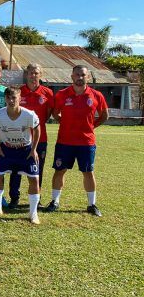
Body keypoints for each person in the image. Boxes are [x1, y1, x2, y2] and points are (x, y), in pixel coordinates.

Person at [45, 65, 109, 216]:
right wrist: (64, 123)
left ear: (87, 77)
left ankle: (91, 204)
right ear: (72, 76)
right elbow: (55, 113)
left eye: (83, 75)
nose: (80, 78)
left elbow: (104, 115)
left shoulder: (96, 95)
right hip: (64, 141)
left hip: (86, 143)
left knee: (88, 172)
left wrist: (92, 127)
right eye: (77, 75)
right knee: (59, 171)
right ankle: (55, 201)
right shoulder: (62, 94)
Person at [0, 86, 42, 224]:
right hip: (6, 150)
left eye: (14, 98)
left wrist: (33, 149)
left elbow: (37, 130)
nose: (11, 100)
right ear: (5, 99)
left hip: (25, 150)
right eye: (8, 98)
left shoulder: (29, 114)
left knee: (34, 179)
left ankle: (33, 213)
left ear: (19, 98)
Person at [8, 63, 54, 208]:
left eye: (36, 73)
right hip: (19, 138)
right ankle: (14, 198)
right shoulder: (18, 92)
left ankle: (36, 199)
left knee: (37, 169)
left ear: (41, 75)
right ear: (26, 74)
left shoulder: (48, 93)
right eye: (31, 73)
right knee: (16, 169)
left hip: (40, 139)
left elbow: (46, 116)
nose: (33, 76)